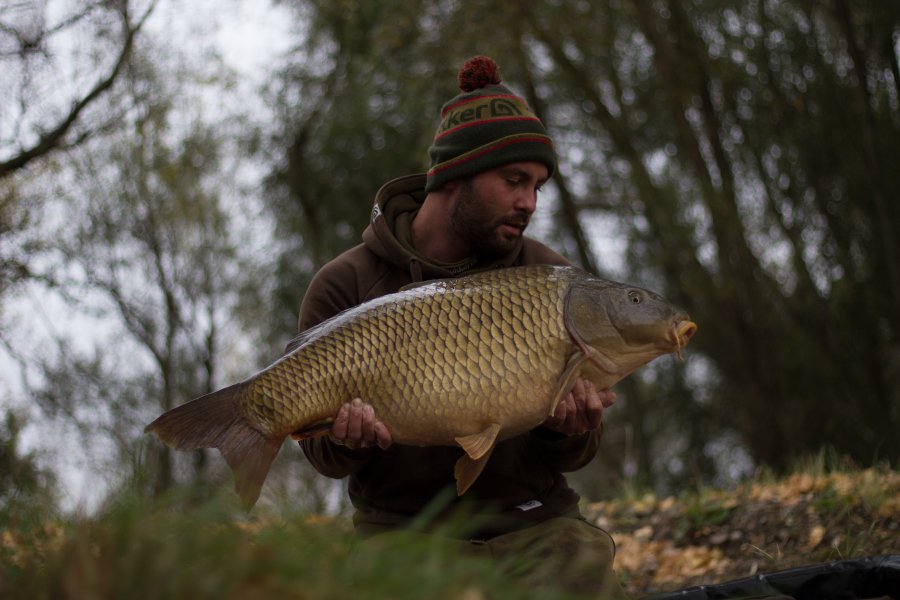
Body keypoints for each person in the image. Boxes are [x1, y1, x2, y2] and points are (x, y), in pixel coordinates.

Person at [295, 55, 626, 597]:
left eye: (538, 185)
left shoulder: (551, 280)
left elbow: (573, 456)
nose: (529, 203)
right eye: (515, 180)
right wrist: (350, 442)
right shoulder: (345, 284)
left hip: (537, 528)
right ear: (454, 176)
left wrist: (570, 427)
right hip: (403, 537)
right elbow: (323, 457)